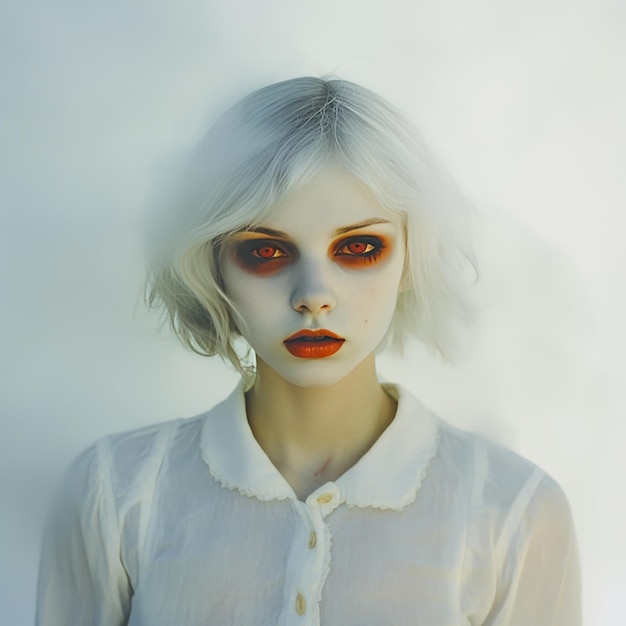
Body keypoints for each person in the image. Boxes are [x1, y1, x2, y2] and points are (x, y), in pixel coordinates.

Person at [36, 77, 581, 625]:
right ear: (212, 263)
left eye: (359, 247)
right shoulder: (114, 491)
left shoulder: (513, 511)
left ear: (411, 255)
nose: (313, 295)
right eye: (266, 250)